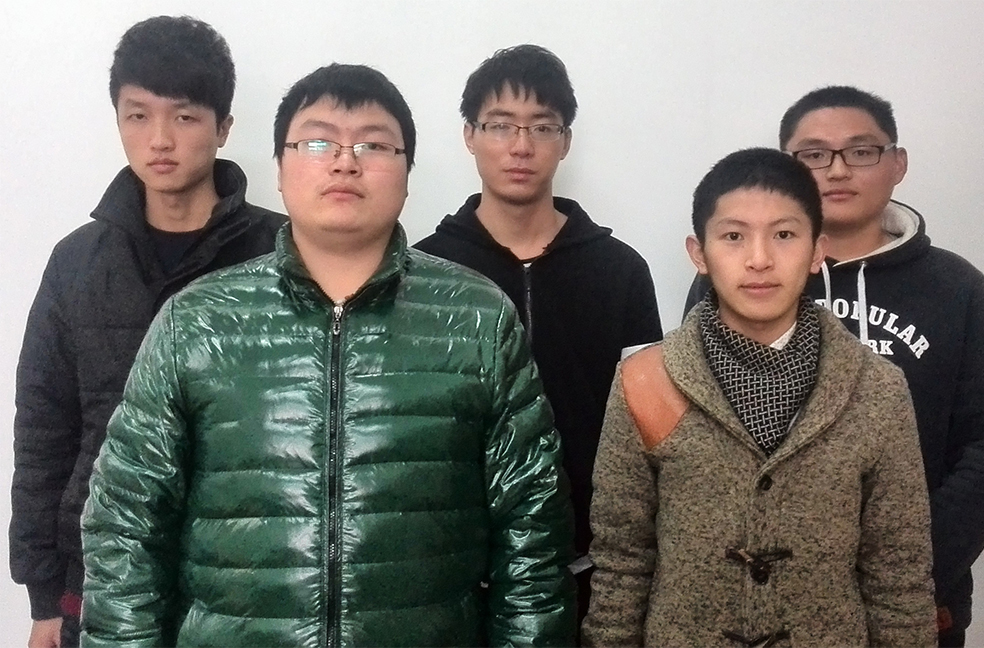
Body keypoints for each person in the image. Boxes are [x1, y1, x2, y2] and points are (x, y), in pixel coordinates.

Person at [79, 62, 576, 647]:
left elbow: (533, 538)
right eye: (317, 142)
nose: (345, 162)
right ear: (281, 170)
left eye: (374, 144)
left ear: (407, 175)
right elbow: (126, 530)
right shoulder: (196, 321)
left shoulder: (478, 319)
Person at [685, 86, 984, 647]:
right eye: (813, 155)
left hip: (918, 598)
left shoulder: (955, 287)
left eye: (861, 151)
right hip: (757, 607)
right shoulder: (739, 280)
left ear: (897, 163)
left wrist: (909, 572)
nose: (837, 170)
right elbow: (699, 432)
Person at [585, 148, 936, 647]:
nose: (759, 259)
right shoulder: (645, 380)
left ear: (817, 250)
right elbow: (622, 559)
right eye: (733, 236)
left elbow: (898, 570)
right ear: (698, 253)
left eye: (784, 235)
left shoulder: (876, 388)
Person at [9, 16, 284, 648]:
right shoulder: (77, 262)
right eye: (137, 115)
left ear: (223, 127)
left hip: (248, 572)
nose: (159, 139)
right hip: (102, 572)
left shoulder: (279, 253)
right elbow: (44, 430)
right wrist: (45, 597)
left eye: (184, 116)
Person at [415, 45, 662, 629]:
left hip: (592, 568)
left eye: (542, 127)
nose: (521, 146)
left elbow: (649, 426)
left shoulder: (620, 271)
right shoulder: (424, 273)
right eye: (500, 125)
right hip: (452, 571)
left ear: (565, 140)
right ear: (470, 135)